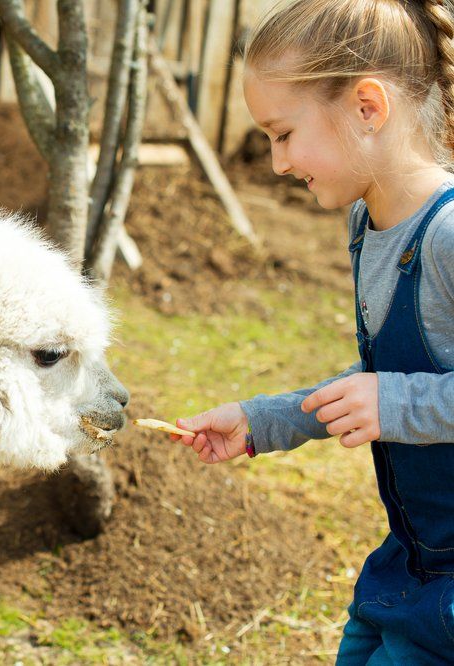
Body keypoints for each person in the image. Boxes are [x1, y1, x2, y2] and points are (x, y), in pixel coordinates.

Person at [171, 0, 454, 662]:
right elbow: (386, 381)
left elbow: (396, 394)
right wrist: (267, 421)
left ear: (367, 108)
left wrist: (394, 403)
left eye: (283, 134)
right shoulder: (370, 223)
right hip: (407, 564)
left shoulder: (447, 236)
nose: (274, 162)